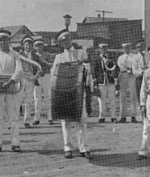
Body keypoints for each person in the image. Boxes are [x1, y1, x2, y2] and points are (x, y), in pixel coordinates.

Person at [51, 29, 92, 159]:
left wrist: (82, 67)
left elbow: (88, 69)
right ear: (60, 43)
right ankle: (67, 147)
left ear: (71, 39)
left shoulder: (81, 52)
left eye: (68, 39)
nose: (66, 42)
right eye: (63, 41)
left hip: (79, 92)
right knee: (65, 120)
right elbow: (54, 74)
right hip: (64, 92)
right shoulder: (59, 57)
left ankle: (84, 147)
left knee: (81, 119)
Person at [0, 29, 23, 154]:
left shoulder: (15, 55)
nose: (3, 42)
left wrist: (10, 82)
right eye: (0, 40)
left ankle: (15, 143)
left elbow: (19, 71)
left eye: (5, 39)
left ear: (9, 41)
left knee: (13, 117)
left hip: (10, 88)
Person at [19, 36, 42, 128]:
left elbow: (38, 67)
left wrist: (36, 75)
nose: (28, 47)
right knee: (18, 100)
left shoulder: (35, 56)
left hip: (31, 79)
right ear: (24, 46)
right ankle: (13, 121)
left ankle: (26, 121)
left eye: (30, 45)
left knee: (29, 101)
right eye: (27, 45)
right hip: (21, 79)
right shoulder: (19, 55)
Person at [93, 43, 117, 123]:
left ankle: (113, 117)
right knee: (101, 101)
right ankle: (101, 117)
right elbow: (94, 71)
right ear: (100, 49)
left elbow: (115, 67)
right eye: (102, 49)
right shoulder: (96, 59)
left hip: (110, 81)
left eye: (105, 48)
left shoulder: (111, 58)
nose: (103, 50)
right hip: (101, 82)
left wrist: (114, 72)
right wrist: (95, 82)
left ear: (107, 49)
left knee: (112, 100)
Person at [33, 39, 54, 125]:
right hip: (37, 77)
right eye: (37, 46)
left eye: (40, 45)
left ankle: (50, 117)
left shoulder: (47, 54)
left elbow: (51, 64)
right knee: (37, 98)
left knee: (48, 97)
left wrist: (43, 63)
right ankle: (36, 118)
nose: (39, 47)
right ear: (35, 47)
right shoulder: (33, 56)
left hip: (46, 76)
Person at [117, 42, 138, 123]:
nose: (127, 49)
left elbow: (136, 65)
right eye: (125, 47)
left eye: (128, 47)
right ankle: (123, 116)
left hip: (132, 76)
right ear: (123, 48)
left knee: (133, 96)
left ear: (130, 47)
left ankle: (133, 116)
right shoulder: (120, 57)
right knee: (123, 96)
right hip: (123, 75)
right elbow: (120, 66)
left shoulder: (134, 56)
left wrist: (132, 69)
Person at [132, 41, 149, 107]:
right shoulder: (135, 57)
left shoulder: (148, 55)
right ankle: (143, 111)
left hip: (148, 77)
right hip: (140, 77)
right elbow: (134, 71)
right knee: (140, 94)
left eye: (141, 47)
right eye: (138, 47)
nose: (140, 49)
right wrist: (141, 72)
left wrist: (147, 69)